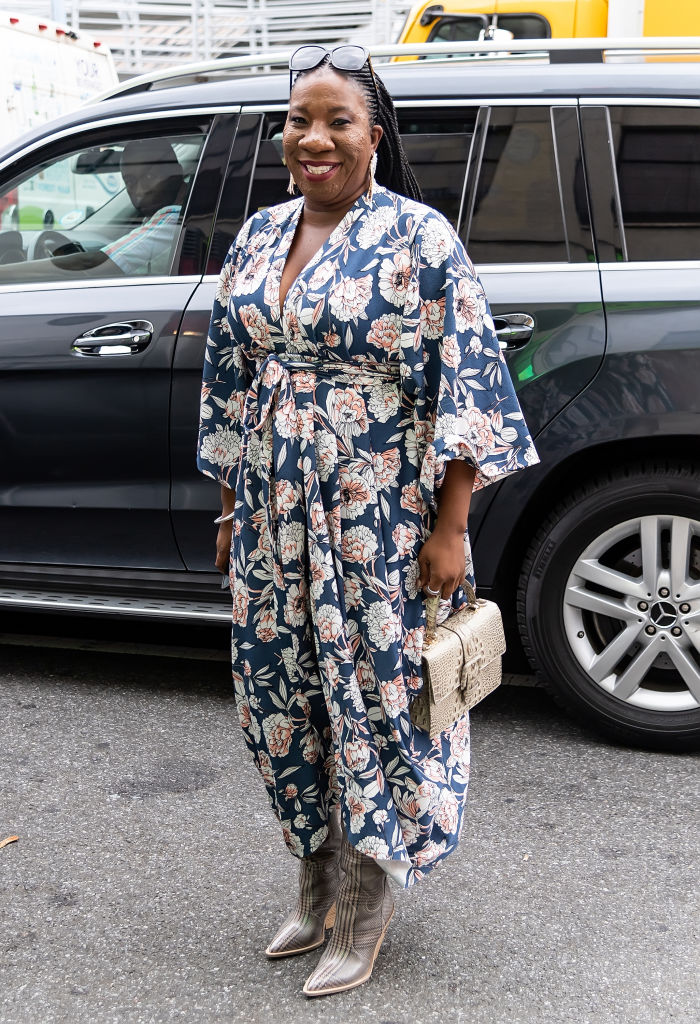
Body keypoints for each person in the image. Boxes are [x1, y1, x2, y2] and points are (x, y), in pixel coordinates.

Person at [197, 44, 539, 998]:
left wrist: (452, 527)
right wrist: (229, 503)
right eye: (300, 121)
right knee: (279, 693)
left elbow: (465, 380)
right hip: (271, 508)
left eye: (337, 121)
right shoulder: (261, 235)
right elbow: (230, 376)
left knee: (374, 696)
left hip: (373, 514)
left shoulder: (418, 238)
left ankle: (368, 897)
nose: (315, 139)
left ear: (373, 135)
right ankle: (314, 877)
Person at [101, 139, 186, 275]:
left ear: (178, 172)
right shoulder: (159, 215)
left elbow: (101, 265)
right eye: (130, 181)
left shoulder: (176, 218)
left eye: (150, 176)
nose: (140, 191)